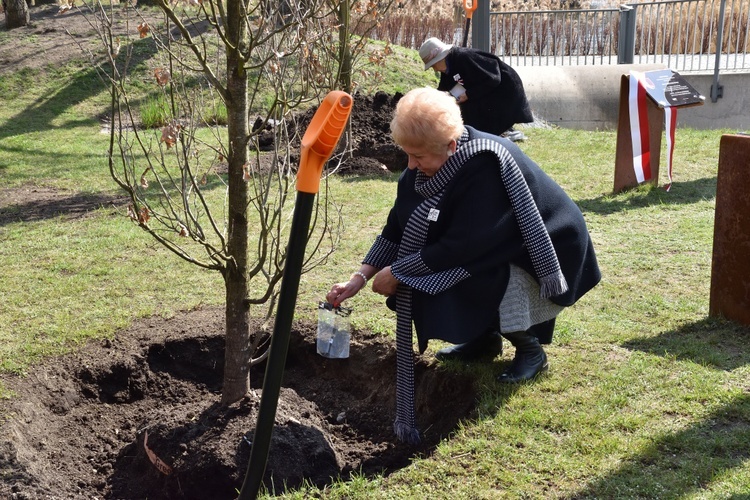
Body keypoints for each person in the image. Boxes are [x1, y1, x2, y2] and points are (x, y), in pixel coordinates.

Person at [326, 88, 600, 445]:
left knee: (485, 276)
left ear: (451, 146)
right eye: (406, 154)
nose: (410, 166)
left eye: (417, 156)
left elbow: (465, 247)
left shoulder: (486, 165)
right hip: (492, 241)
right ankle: (483, 340)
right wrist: (360, 277)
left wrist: (399, 272)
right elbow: (398, 225)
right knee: (447, 272)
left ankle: (530, 349)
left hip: (543, 245)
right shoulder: (426, 162)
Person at [418, 37, 534, 141]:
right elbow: (445, 87)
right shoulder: (447, 66)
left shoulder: (465, 57)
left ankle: (504, 132)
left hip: (504, 90)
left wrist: (468, 94)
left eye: (433, 65)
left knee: (478, 112)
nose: (435, 70)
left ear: (440, 58)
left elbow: (493, 78)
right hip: (484, 90)